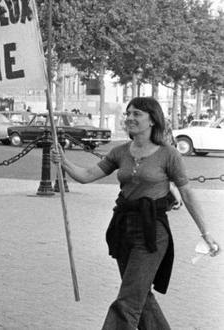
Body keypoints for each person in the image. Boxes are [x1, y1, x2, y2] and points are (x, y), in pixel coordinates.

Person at [52, 97, 219, 328]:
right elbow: (87, 175)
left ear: (152, 120)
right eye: (128, 113)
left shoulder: (168, 154)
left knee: (127, 302)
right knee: (139, 295)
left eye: (137, 113)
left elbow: (187, 193)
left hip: (152, 233)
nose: (130, 117)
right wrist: (64, 162)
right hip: (123, 229)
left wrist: (205, 232)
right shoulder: (120, 151)